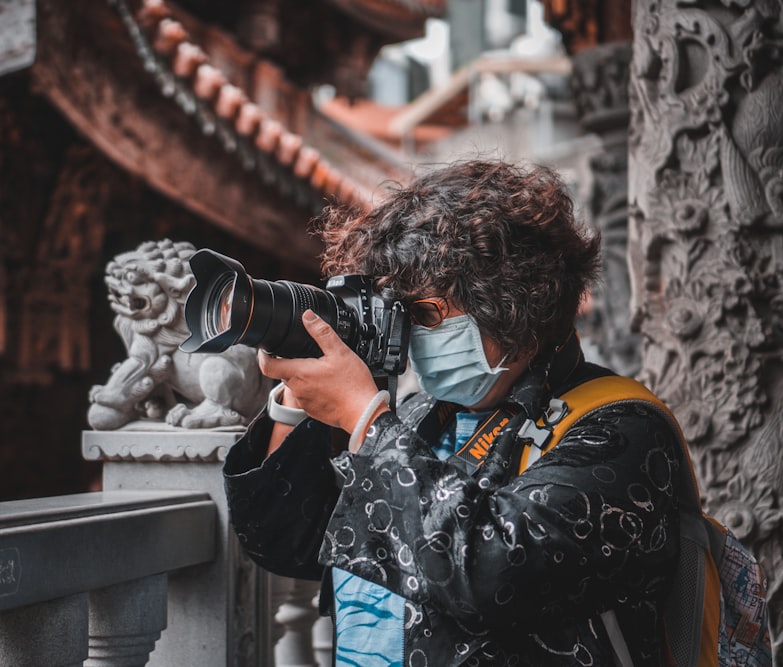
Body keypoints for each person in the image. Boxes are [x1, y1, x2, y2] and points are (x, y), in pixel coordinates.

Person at [223, 160, 682, 666]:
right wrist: (295, 404)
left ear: (512, 304)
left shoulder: (621, 427)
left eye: (427, 313)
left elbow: (490, 572)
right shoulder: (422, 417)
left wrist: (366, 422)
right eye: (404, 313)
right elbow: (288, 544)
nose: (413, 333)